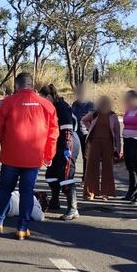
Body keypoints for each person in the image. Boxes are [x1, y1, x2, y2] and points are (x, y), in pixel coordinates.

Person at [0, 72, 58, 240]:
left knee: (5, 190)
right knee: (27, 193)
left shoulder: (7, 103)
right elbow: (53, 133)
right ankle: (22, 229)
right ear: (32, 85)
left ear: (17, 85)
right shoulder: (47, 106)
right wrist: (49, 154)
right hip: (34, 158)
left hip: (11, 157)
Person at [39, 84, 81, 221]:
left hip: (68, 142)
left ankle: (73, 208)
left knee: (66, 175)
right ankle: (55, 201)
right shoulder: (51, 107)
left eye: (43, 98)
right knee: (51, 173)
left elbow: (67, 130)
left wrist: (66, 148)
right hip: (56, 143)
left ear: (50, 96)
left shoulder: (62, 107)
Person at [81, 96, 121, 201]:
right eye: (102, 103)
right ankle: (91, 192)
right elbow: (83, 120)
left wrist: (118, 147)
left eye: (105, 103)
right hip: (94, 143)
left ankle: (105, 193)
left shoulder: (113, 116)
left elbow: (117, 133)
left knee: (107, 168)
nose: (103, 105)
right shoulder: (95, 114)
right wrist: (90, 128)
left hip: (108, 143)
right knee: (92, 167)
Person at [71, 84, 95, 177]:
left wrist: (90, 130)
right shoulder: (75, 104)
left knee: (86, 156)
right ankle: (70, 176)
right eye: (78, 93)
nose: (80, 95)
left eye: (82, 93)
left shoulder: (91, 105)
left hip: (86, 134)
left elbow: (94, 119)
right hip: (75, 133)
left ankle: (85, 177)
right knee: (73, 156)